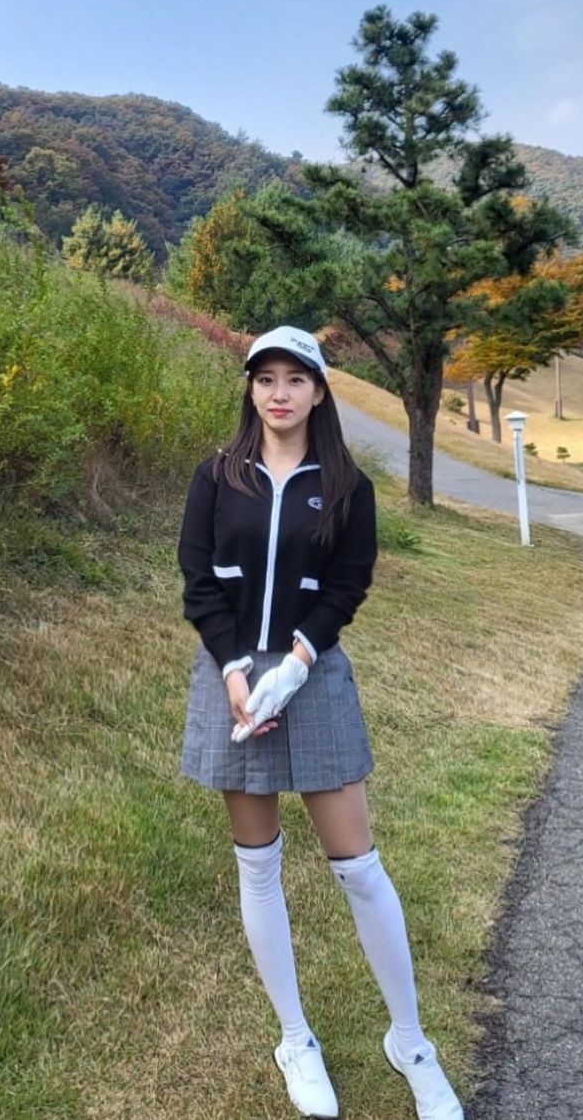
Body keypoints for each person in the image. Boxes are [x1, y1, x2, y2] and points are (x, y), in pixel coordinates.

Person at [178, 326, 463, 1120]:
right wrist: (235, 671)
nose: (279, 393)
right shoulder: (216, 476)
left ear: (318, 391)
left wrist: (299, 661)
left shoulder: (345, 485)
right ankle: (294, 1037)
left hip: (313, 672)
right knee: (258, 864)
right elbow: (198, 581)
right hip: (233, 678)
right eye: (265, 378)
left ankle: (411, 1042)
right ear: (250, 388)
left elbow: (348, 582)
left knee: (359, 866)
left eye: (295, 379)